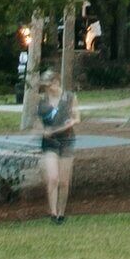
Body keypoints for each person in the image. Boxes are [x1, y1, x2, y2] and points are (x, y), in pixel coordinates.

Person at [30, 70, 81, 223]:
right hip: (49, 143)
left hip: (66, 140)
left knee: (64, 181)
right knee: (53, 178)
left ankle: (61, 212)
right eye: (45, 86)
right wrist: (40, 130)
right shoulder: (42, 101)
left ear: (57, 82)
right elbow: (38, 121)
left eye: (50, 85)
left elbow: (76, 118)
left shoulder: (69, 97)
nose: (48, 88)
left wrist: (69, 124)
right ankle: (52, 212)